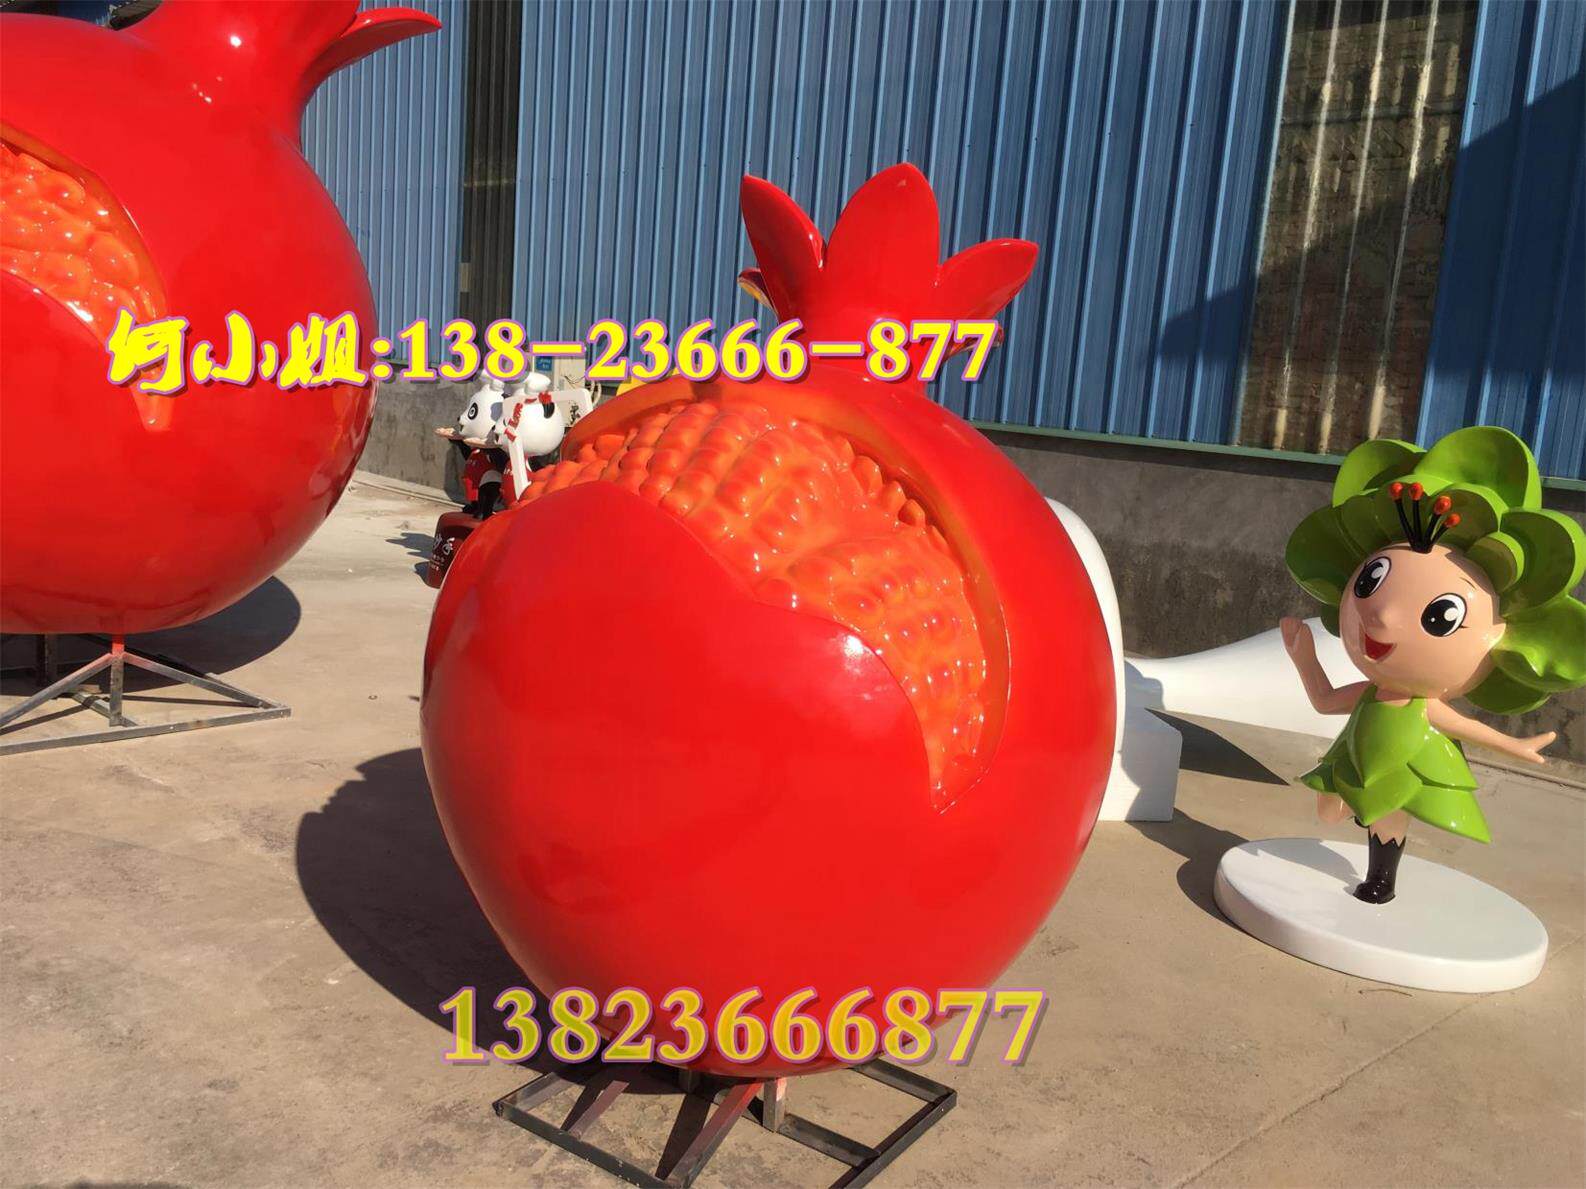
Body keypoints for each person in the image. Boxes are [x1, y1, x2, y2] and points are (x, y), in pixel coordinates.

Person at [1280, 426, 1584, 903]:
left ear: (1499, 636)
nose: (1383, 617)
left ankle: (1381, 880)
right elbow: (1323, 701)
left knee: (1390, 816)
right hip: (1357, 758)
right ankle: (1364, 813)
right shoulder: (1370, 694)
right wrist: (1305, 657)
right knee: (1328, 810)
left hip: (1408, 767)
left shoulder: (1423, 708)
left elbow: (1466, 727)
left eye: (1442, 616)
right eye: (1369, 583)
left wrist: (1516, 745)